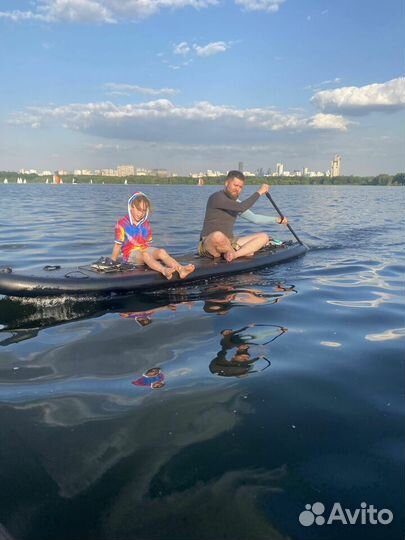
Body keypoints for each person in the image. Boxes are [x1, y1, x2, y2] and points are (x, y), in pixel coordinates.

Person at [198, 170, 288, 262]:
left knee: (264, 237)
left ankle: (234, 255)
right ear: (226, 183)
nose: (237, 189)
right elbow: (242, 207)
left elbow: (254, 218)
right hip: (209, 243)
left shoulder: (235, 204)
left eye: (240, 187)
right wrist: (259, 192)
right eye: (235, 185)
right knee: (217, 236)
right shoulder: (217, 197)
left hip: (230, 242)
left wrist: (277, 220)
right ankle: (239, 251)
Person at [112, 192, 195, 280]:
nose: (141, 214)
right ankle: (164, 270)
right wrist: (113, 261)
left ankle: (181, 269)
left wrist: (153, 258)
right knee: (145, 255)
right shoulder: (122, 223)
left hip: (143, 249)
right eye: (138, 210)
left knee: (161, 251)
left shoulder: (145, 224)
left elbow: (148, 244)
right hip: (130, 254)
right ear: (131, 207)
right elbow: (117, 245)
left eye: (144, 211)